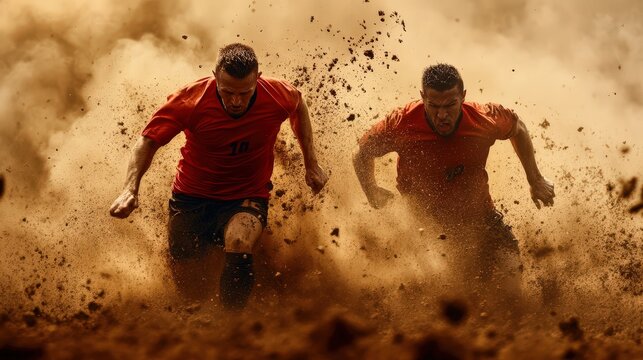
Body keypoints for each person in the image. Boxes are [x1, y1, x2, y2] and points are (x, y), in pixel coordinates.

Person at [109, 43, 328, 309]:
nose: (236, 101)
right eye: (227, 92)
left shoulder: (276, 94)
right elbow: (147, 141)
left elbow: (299, 104)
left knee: (239, 241)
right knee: (188, 285)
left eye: (245, 93)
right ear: (215, 76)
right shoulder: (190, 100)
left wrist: (311, 164)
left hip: (246, 195)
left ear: (258, 78)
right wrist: (130, 189)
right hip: (191, 197)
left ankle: (231, 326)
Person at [353, 63, 555, 307]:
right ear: (422, 98)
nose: (442, 115)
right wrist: (371, 190)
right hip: (425, 228)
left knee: (512, 280)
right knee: (453, 299)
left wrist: (535, 179)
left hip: (481, 216)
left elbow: (517, 128)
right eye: (434, 106)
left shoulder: (483, 118)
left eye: (450, 105)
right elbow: (362, 153)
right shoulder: (401, 123)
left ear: (463, 97)